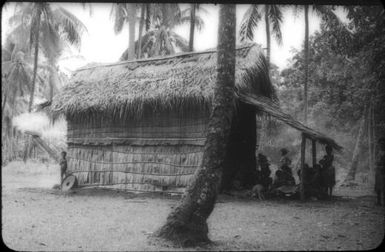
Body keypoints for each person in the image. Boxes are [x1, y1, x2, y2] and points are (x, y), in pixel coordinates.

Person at [375, 137, 385, 206]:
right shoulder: (379, 152)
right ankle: (379, 201)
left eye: (382, 143)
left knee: (383, 187)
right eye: (380, 144)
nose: (381, 145)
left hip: (383, 171)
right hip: (378, 171)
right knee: (377, 187)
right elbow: (377, 161)